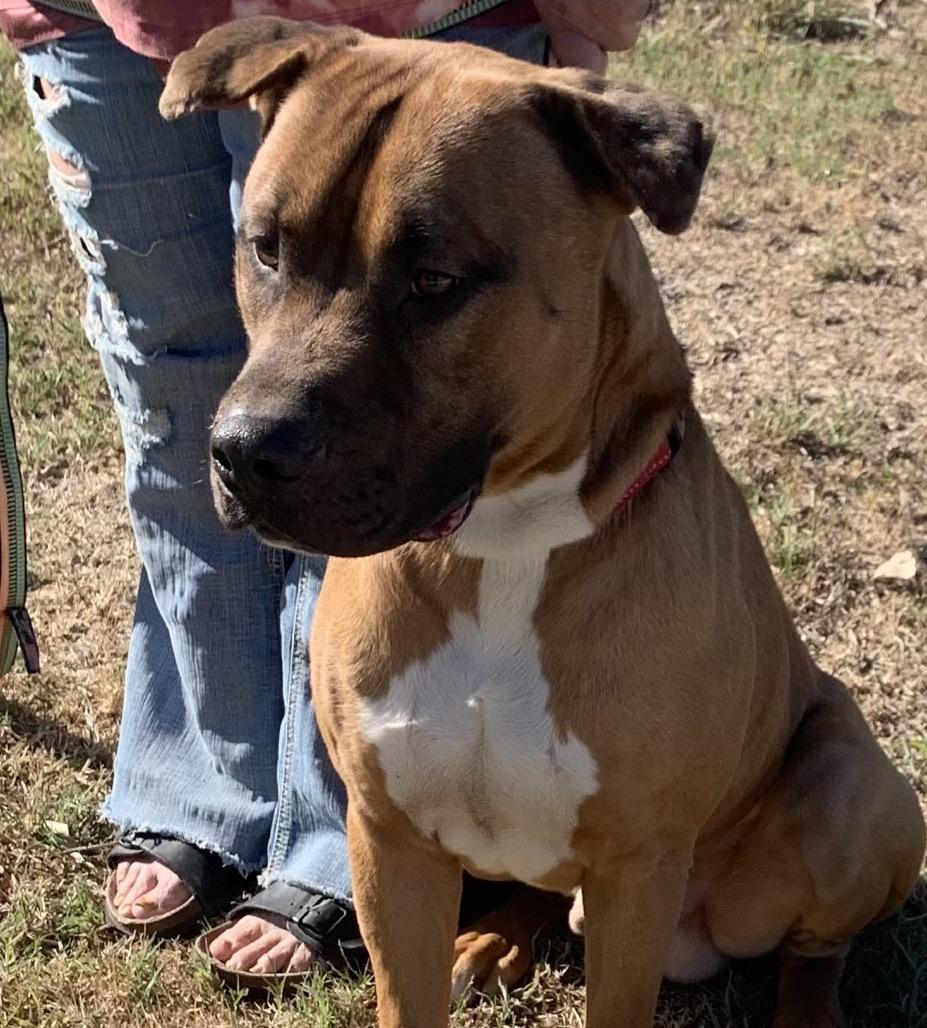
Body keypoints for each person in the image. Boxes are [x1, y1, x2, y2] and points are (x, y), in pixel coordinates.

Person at [0, 0, 650, 988]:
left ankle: (346, 823)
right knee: (184, 402)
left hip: (413, 17)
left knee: (365, 431)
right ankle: (197, 780)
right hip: (109, 15)